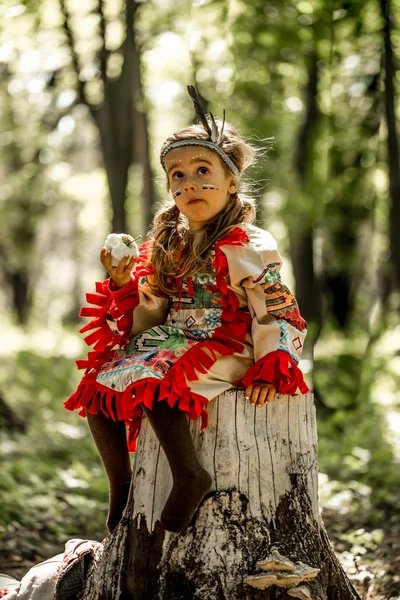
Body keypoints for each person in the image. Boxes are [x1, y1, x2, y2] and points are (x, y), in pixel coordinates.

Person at [65, 85, 309, 535]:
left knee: (156, 377)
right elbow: (154, 311)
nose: (189, 183)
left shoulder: (248, 244)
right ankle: (121, 481)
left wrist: (275, 359)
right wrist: (125, 285)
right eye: (177, 176)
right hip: (175, 337)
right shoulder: (169, 242)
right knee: (99, 382)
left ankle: (190, 474)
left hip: (227, 344)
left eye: (202, 170)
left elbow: (275, 306)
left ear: (232, 182)